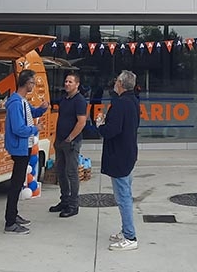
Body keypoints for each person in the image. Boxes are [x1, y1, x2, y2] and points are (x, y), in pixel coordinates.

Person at [96, 70, 140, 251]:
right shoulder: (134, 101)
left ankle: (130, 237)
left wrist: (100, 125)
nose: (114, 83)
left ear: (121, 84)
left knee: (123, 197)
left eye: (116, 81)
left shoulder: (120, 103)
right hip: (128, 153)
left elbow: (112, 130)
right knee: (125, 194)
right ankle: (125, 230)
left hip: (120, 155)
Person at [3, 69, 49, 234]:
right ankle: (10, 222)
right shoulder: (16, 103)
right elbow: (18, 128)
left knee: (18, 182)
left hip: (24, 145)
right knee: (16, 184)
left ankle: (13, 215)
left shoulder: (22, 101)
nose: (34, 85)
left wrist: (42, 109)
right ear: (26, 83)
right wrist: (35, 128)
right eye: (33, 83)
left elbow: (32, 113)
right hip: (19, 146)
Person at [49, 73, 87, 218]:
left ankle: (73, 204)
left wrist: (71, 138)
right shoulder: (64, 100)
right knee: (61, 172)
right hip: (60, 141)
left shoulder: (79, 101)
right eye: (66, 81)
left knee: (72, 173)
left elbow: (81, 122)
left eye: (70, 82)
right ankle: (64, 200)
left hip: (71, 142)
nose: (67, 84)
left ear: (77, 84)